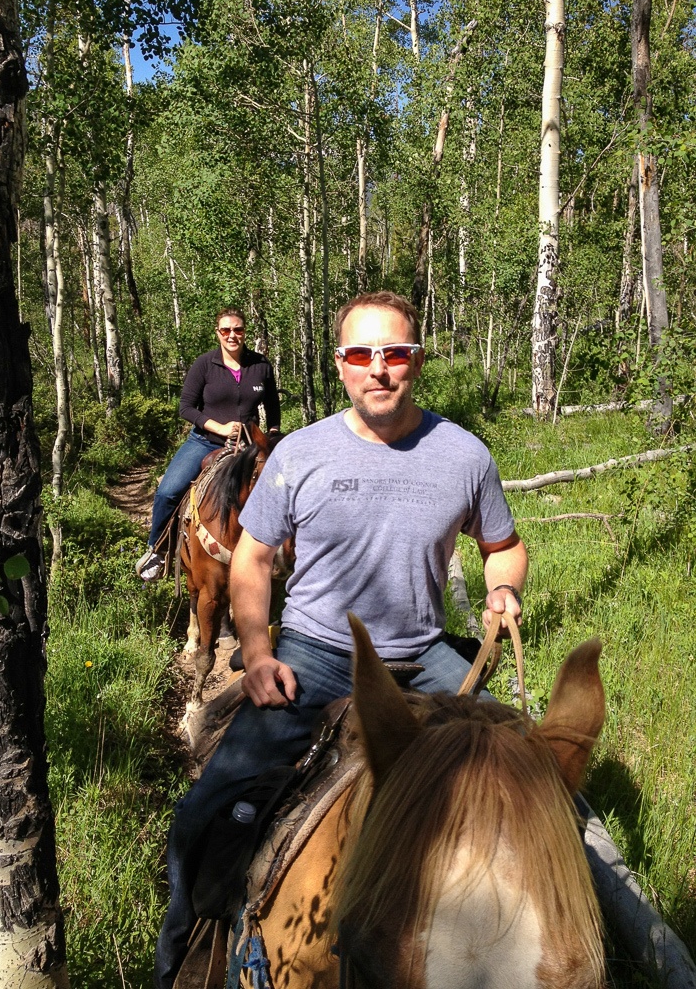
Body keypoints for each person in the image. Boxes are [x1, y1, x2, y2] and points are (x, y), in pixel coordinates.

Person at [153, 291, 526, 988]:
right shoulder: (300, 453)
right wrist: (258, 653)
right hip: (317, 654)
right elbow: (255, 556)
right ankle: (177, 958)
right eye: (361, 354)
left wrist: (504, 589)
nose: (378, 369)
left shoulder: (464, 455)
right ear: (340, 365)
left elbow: (502, 546)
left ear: (418, 361)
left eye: (395, 354)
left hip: (424, 657)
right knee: (203, 813)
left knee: (533, 777)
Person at [136, 307, 281, 581]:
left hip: (250, 446)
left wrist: (272, 436)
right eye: (226, 330)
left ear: (244, 332)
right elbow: (186, 408)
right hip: (205, 441)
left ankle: (284, 553)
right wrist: (219, 427)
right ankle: (157, 549)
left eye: (238, 329)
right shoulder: (204, 365)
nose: (232, 335)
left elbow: (273, 408)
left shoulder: (261, 366)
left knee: (281, 490)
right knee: (168, 491)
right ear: (217, 333)